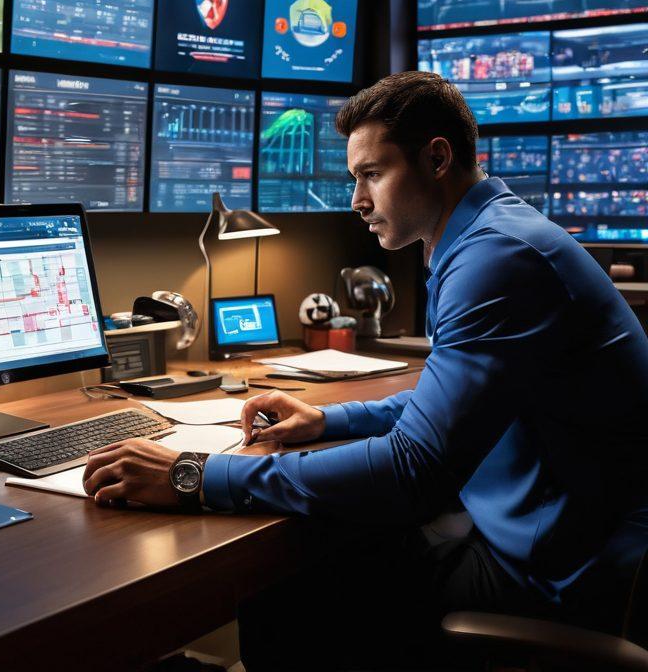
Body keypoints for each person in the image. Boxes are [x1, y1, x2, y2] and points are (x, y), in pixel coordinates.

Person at [83, 70, 648, 670]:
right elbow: (452, 403)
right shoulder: (492, 235)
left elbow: (414, 468)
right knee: (336, 548)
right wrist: (326, 421)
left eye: (371, 175)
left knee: (287, 593)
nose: (357, 200)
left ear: (436, 159)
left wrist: (195, 476)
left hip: (572, 578)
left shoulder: (495, 259)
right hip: (563, 537)